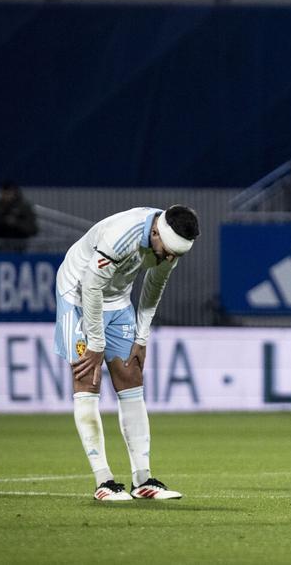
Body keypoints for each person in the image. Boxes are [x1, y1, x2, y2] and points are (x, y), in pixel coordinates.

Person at [54, 205, 199, 501]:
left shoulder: (168, 245)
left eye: (176, 255)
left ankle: (142, 480)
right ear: (155, 232)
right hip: (78, 294)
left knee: (131, 375)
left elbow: (154, 285)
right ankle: (103, 481)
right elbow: (91, 286)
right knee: (88, 378)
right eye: (167, 251)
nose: (169, 258)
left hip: (117, 299)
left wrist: (141, 337)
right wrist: (96, 344)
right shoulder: (121, 236)